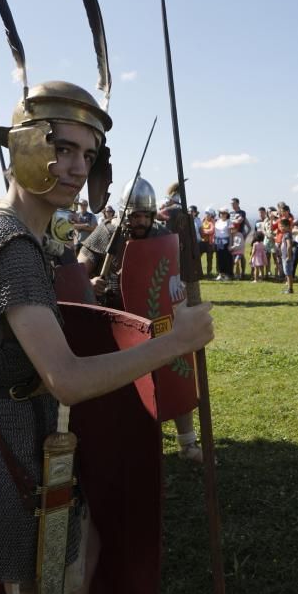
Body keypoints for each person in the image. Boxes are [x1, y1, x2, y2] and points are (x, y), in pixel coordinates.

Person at [0, 81, 214, 594]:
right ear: (23, 146)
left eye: (86, 155)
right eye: (61, 148)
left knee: (70, 565)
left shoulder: (12, 233)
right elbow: (64, 378)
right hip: (12, 445)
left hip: (17, 434)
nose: (74, 167)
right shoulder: (10, 248)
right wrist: (175, 342)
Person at [77, 176, 205, 464]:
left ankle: (187, 443)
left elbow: (175, 274)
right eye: (135, 216)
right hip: (116, 318)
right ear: (124, 213)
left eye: (146, 216)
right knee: (121, 384)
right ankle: (127, 440)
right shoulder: (107, 233)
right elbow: (80, 265)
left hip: (158, 318)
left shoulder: (162, 236)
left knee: (174, 373)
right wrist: (92, 280)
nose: (141, 222)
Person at [213, 208, 233, 281]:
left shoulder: (229, 222)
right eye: (221, 213)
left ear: (227, 214)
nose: (222, 214)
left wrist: (230, 244)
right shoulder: (217, 222)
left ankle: (227, 274)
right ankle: (220, 274)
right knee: (219, 258)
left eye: (224, 213)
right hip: (218, 242)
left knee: (226, 259)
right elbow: (215, 233)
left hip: (225, 242)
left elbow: (230, 234)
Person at [278, 217, 294, 294]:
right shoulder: (285, 234)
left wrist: (289, 256)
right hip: (285, 256)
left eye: (282, 226)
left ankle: (290, 289)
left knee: (288, 273)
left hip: (287, 257)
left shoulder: (287, 234)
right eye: (280, 226)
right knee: (287, 272)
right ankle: (289, 288)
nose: (281, 228)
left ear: (287, 226)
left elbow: (289, 245)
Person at [199, 209, 215, 276]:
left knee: (209, 258)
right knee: (198, 257)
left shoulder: (212, 222)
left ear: (211, 215)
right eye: (206, 213)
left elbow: (211, 231)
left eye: (208, 214)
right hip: (202, 242)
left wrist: (203, 231)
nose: (206, 215)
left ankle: (209, 273)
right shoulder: (203, 220)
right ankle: (199, 272)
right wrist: (204, 231)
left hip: (209, 243)